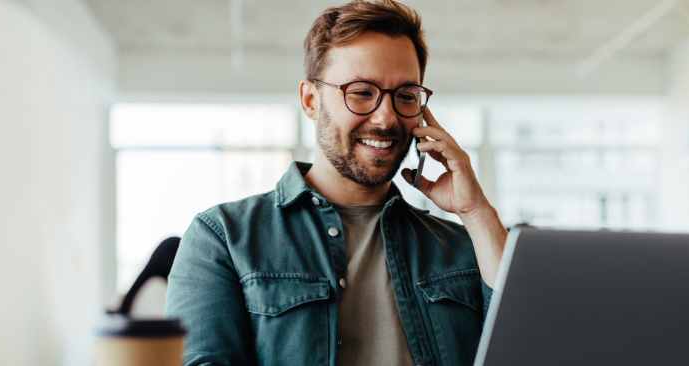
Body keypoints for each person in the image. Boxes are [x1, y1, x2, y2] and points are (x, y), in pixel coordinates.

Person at [164, 1, 508, 365]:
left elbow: (532, 346)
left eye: (406, 96)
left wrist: (475, 211)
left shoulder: (465, 248)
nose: (386, 118)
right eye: (361, 92)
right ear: (311, 100)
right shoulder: (222, 239)